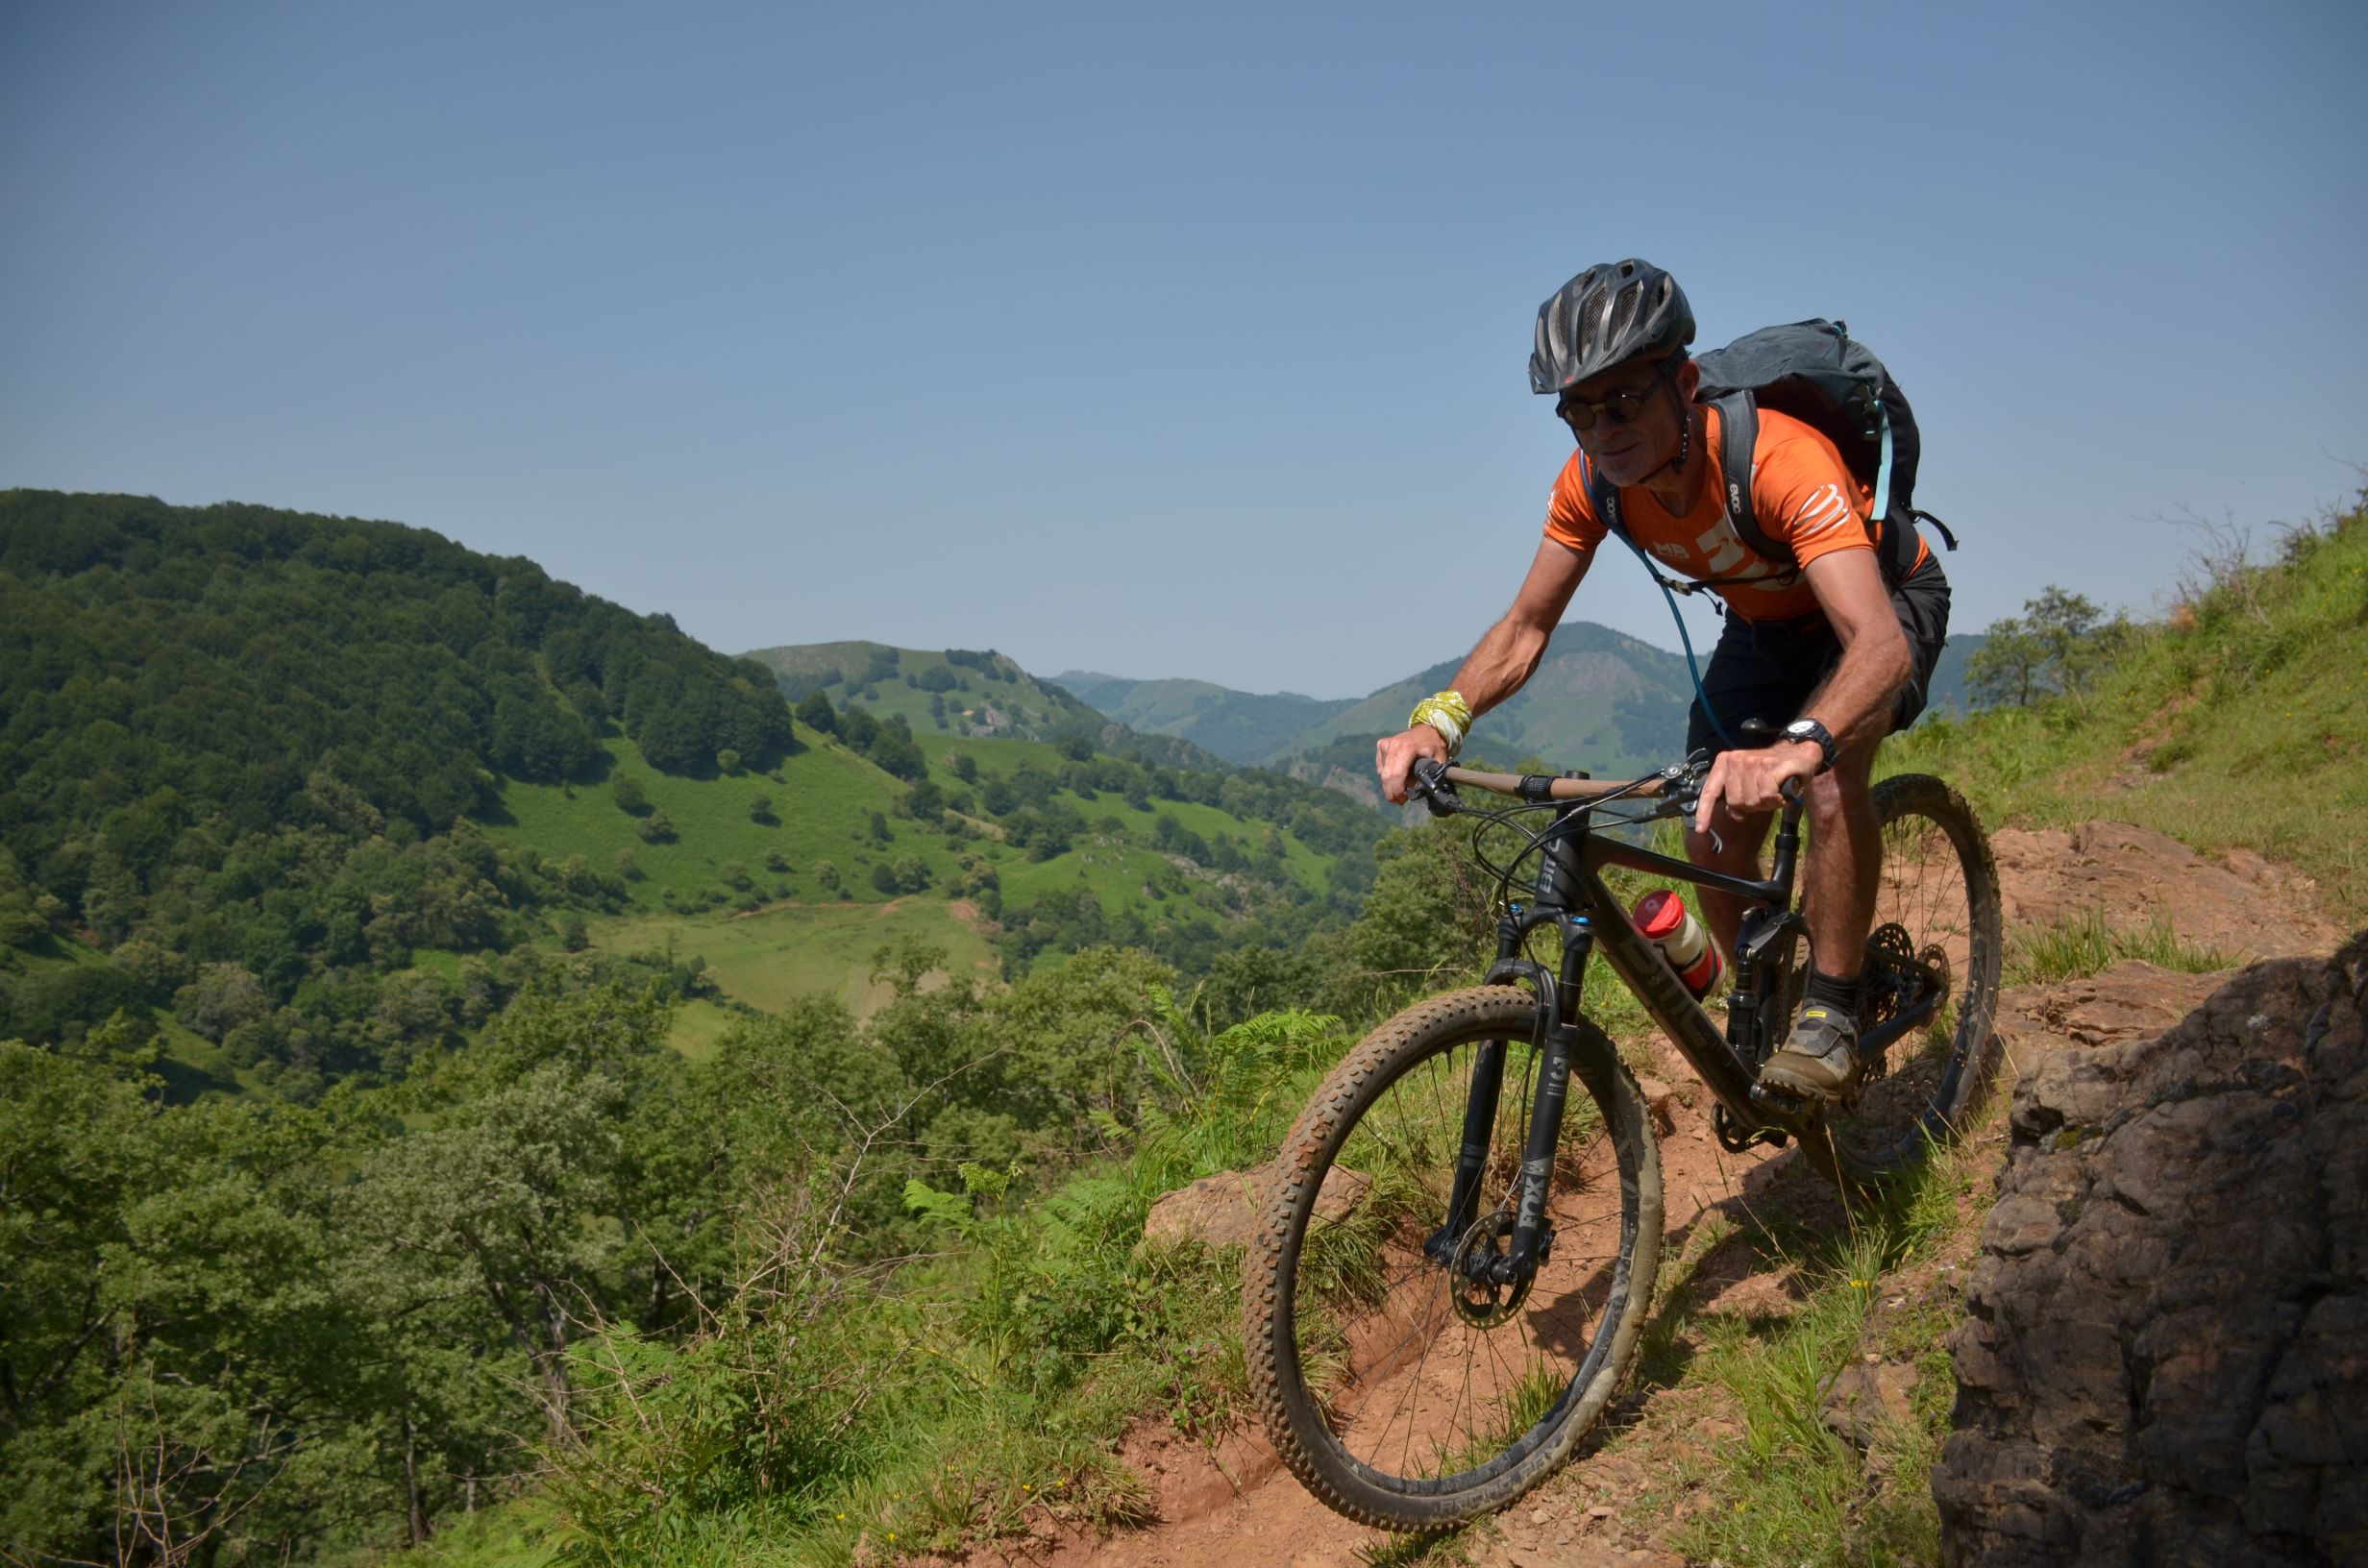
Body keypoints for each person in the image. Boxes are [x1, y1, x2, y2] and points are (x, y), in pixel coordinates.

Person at [1373, 259, 1951, 1103]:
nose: (1602, 430)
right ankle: (1772, 993)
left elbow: (1875, 648)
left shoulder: (1782, 461)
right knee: (1710, 827)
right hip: (1766, 624)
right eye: (1579, 411)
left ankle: (1831, 1013)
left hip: (1880, 606)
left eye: (1625, 401)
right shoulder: (1594, 487)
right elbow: (1527, 627)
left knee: (1828, 782)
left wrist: (1799, 744)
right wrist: (1442, 718)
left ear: (1683, 382)